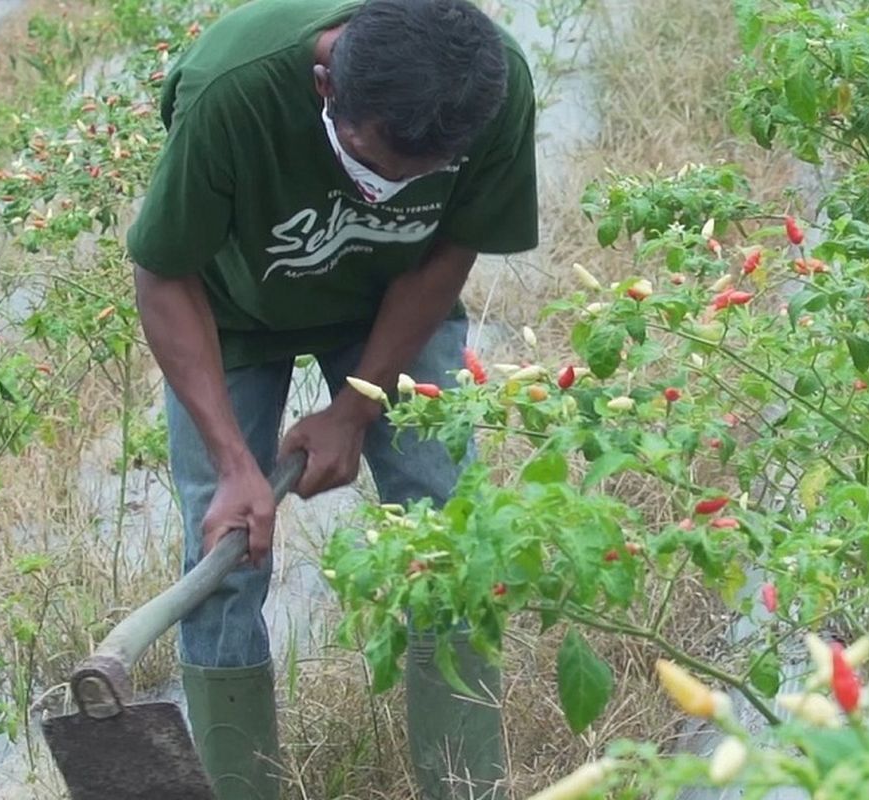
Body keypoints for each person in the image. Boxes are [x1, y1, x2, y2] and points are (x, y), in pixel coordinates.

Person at [124, 0, 538, 797]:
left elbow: (449, 246)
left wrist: (355, 407)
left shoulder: (490, 86)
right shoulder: (230, 88)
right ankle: (241, 784)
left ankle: (464, 782)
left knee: (446, 523)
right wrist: (235, 461)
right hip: (236, 312)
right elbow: (163, 272)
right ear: (324, 86)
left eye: (415, 178)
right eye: (369, 159)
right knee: (226, 542)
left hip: (394, 299)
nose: (386, 194)